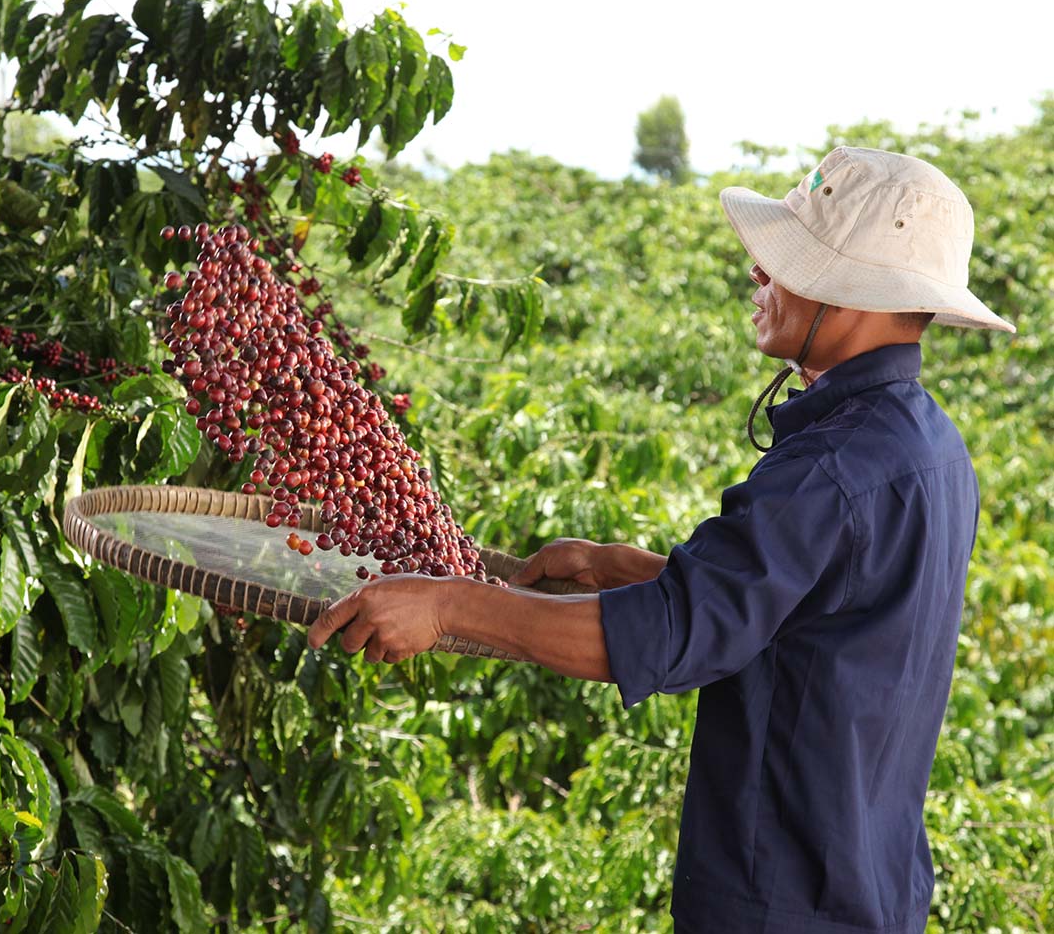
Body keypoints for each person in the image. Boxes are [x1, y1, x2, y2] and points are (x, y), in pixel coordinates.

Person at [308, 146, 1015, 934]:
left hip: (784, 902)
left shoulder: (831, 469)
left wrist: (449, 608)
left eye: (784, 263)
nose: (759, 275)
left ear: (853, 294)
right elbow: (809, 612)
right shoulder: (930, 447)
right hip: (872, 890)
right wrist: (632, 570)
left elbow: (675, 637)